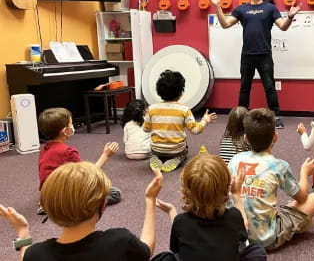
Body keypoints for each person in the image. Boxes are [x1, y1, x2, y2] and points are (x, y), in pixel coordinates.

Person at [0, 162, 163, 261]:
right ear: (102, 205)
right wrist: (150, 201)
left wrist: (22, 231)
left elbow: (26, 256)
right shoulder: (120, 240)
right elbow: (146, 250)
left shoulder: (36, 255)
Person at [208, 0, 302, 129]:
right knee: (245, 87)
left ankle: (276, 116)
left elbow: (283, 27)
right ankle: (240, 117)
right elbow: (225, 24)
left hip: (264, 54)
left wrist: (290, 17)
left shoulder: (270, 8)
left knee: (269, 86)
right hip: (247, 55)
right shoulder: (241, 9)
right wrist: (218, 6)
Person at [228, 108, 314, 249]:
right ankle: (294, 226)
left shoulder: (235, 159)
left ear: (246, 139)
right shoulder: (278, 166)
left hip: (235, 236)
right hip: (266, 239)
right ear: (275, 136)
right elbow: (302, 197)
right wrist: (304, 173)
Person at [152, 154, 267, 261]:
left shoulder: (180, 221)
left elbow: (176, 249)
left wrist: (171, 211)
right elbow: (244, 230)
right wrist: (236, 195)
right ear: (226, 190)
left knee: (166, 257)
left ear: (186, 192)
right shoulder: (234, 216)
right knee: (257, 251)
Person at [37, 107, 121, 209]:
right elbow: (88, 176)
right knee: (114, 193)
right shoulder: (68, 152)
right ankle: (67, 205)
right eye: (71, 124)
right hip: (64, 196)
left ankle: (50, 204)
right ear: (65, 131)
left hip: (47, 195)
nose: (72, 126)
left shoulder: (44, 149)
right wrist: (106, 155)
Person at [143, 70, 217, 172]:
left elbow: (145, 129)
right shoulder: (184, 110)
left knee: (154, 151)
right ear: (181, 93)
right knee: (184, 151)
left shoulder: (151, 109)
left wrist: (148, 117)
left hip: (157, 149)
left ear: (159, 91)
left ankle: (156, 158)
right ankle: (176, 159)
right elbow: (196, 130)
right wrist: (205, 120)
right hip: (176, 150)